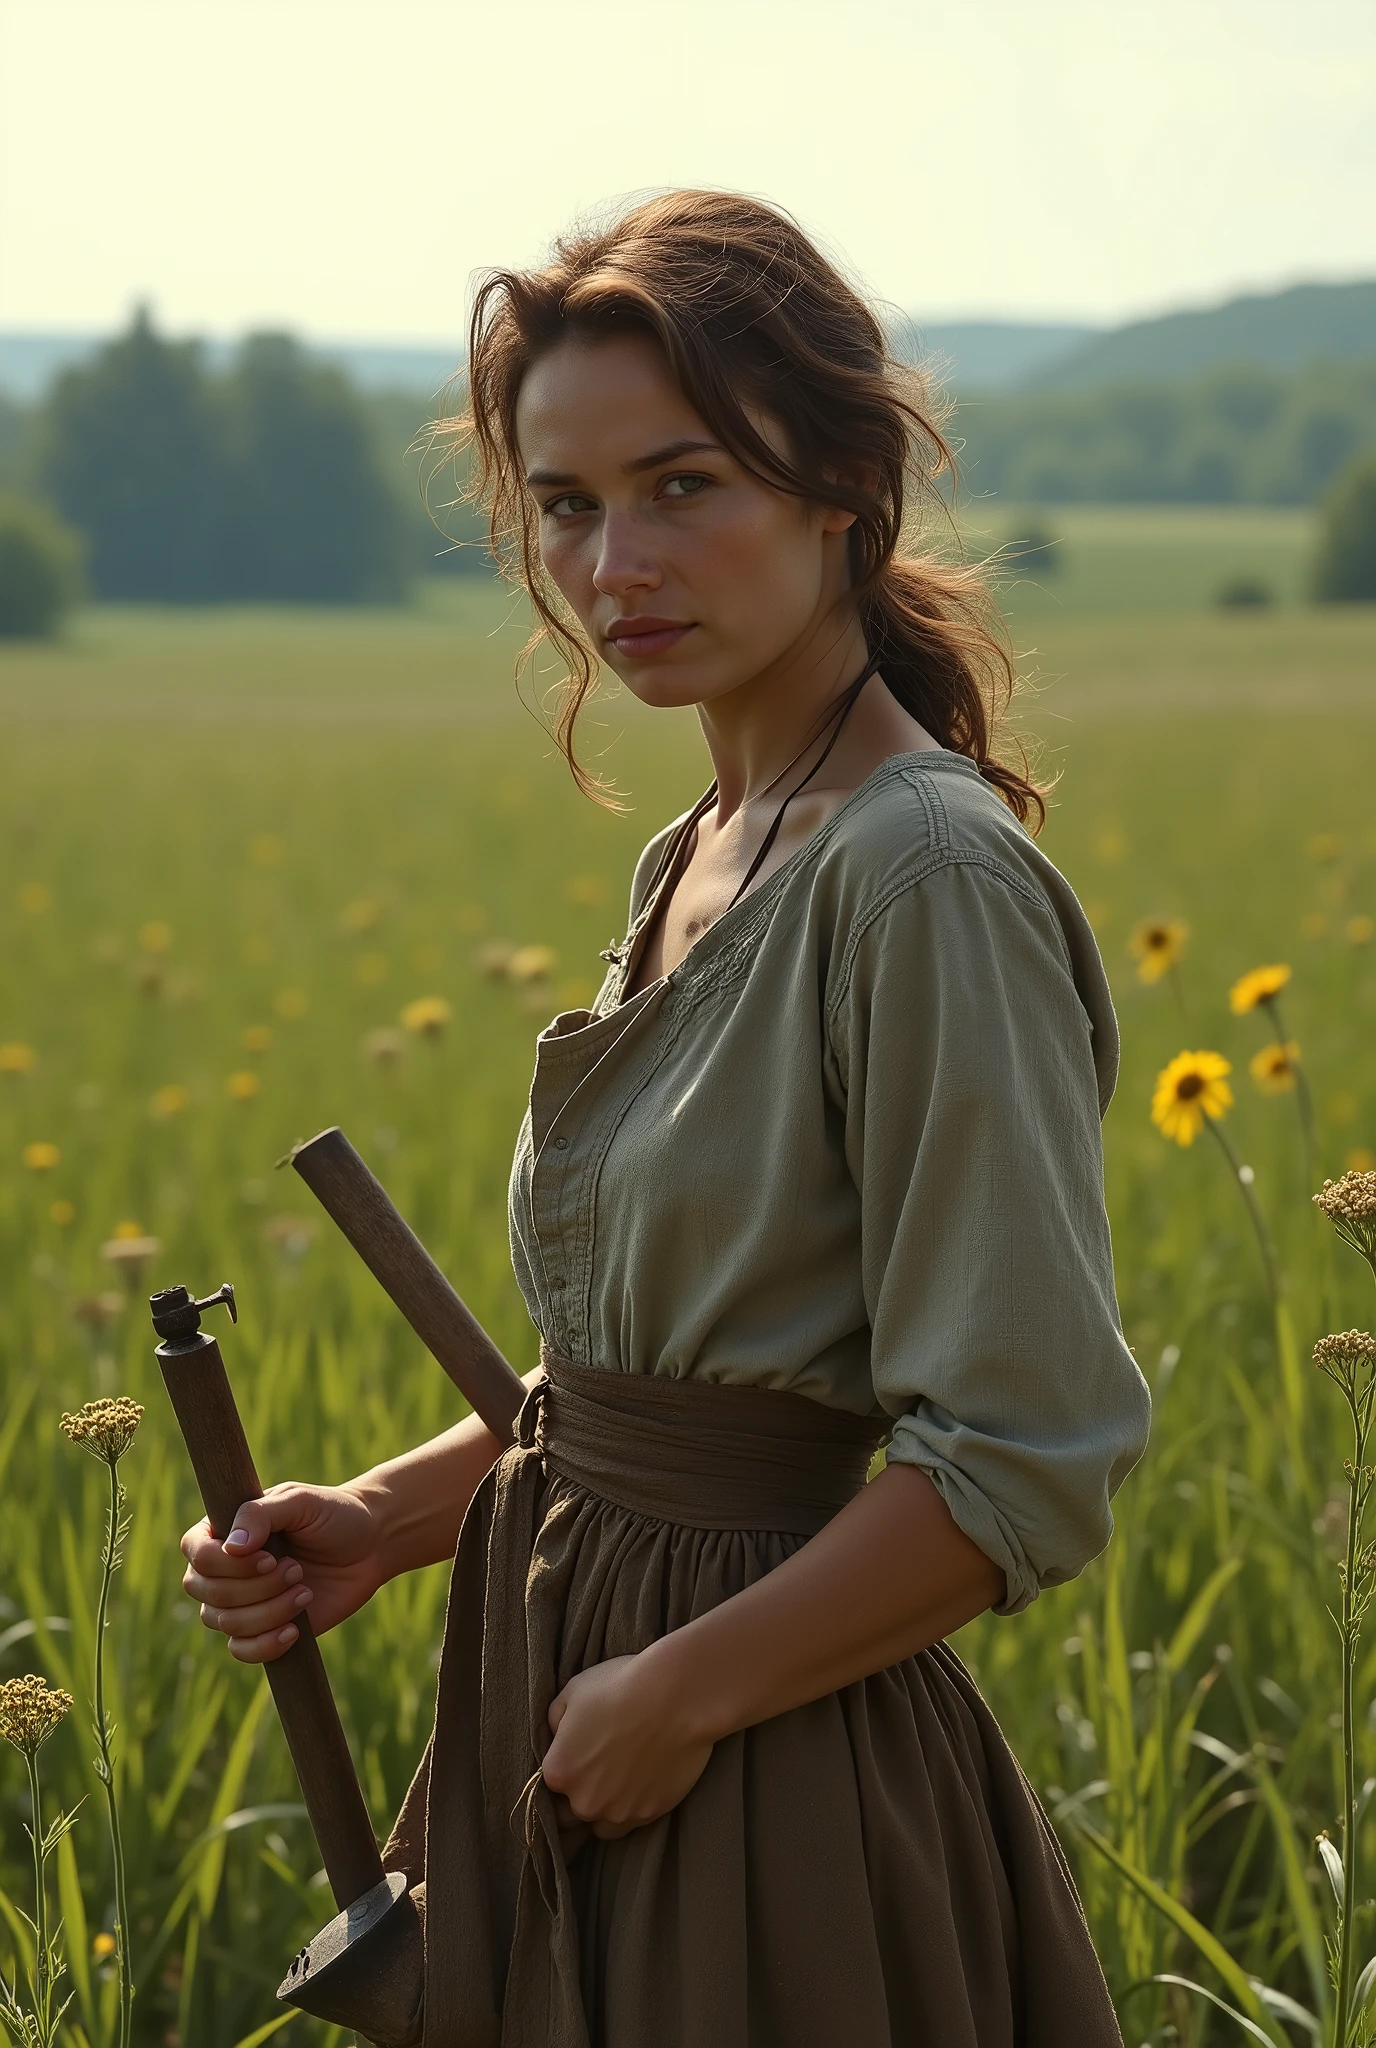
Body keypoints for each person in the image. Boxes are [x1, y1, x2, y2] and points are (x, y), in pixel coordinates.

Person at [179, 190, 1151, 2048]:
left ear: (840, 488)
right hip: (596, 1714)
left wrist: (690, 1691)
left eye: (682, 484)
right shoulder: (699, 850)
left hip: (773, 1776)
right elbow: (673, 1396)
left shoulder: (922, 876)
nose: (616, 558)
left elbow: (1023, 1457)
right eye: (564, 505)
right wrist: (390, 1519)